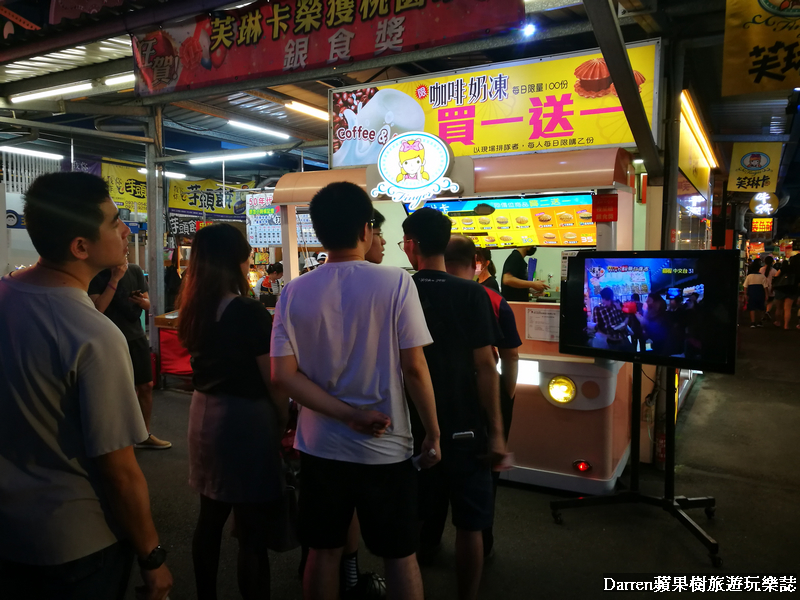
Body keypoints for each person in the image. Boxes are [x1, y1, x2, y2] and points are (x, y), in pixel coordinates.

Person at [0, 172, 172, 600]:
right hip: (76, 542)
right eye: (114, 222)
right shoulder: (92, 334)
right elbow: (120, 472)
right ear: (80, 247)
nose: (126, 230)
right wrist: (152, 556)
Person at [270, 182, 441, 600]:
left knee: (324, 552)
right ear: (366, 229)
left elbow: (283, 376)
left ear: (319, 231)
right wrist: (433, 433)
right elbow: (415, 368)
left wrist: (347, 416)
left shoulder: (294, 290)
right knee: (399, 555)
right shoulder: (396, 283)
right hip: (386, 447)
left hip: (320, 447)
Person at [177, 224, 289, 600]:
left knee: (209, 519)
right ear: (237, 260)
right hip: (245, 420)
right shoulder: (247, 311)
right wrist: (282, 418)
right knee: (251, 529)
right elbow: (274, 379)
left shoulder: (194, 306)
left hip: (204, 415)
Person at [403, 208, 506, 600]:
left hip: (410, 424)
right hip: (466, 425)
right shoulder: (472, 293)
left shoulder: (399, 290)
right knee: (470, 524)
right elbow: (486, 366)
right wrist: (497, 432)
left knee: (412, 518)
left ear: (411, 245)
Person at [444, 234, 521, 561]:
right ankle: (482, 543)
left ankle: (427, 542)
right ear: (476, 263)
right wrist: (506, 397)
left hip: (437, 393)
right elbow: (510, 355)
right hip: (483, 393)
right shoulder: (490, 298)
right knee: (483, 475)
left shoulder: (416, 292)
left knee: (433, 473)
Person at [89, 257, 171, 450]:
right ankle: (118, 438)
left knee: (146, 386)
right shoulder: (96, 274)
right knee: (117, 390)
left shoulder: (135, 271)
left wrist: (142, 302)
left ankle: (144, 434)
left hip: (137, 337)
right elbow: (98, 308)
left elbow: (148, 304)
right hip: (110, 339)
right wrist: (115, 279)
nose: (125, 249)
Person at [772, 253, 800, 330]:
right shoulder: (798, 270)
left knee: (779, 308)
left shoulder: (785, 267)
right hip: (792, 290)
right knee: (787, 308)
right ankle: (786, 325)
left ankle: (778, 322)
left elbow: (776, 276)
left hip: (780, 289)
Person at [743, 262, 768, 328]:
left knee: (752, 308)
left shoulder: (749, 276)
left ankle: (753, 322)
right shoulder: (762, 276)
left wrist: (745, 294)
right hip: (760, 293)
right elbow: (765, 287)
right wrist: (766, 295)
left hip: (751, 293)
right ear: (759, 269)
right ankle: (759, 322)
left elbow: (745, 286)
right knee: (760, 308)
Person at [760, 256, 778, 322]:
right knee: (770, 301)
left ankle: (764, 312)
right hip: (771, 288)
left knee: (764, 300)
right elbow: (776, 280)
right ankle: (767, 311)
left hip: (762, 287)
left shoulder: (761, 269)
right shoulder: (774, 271)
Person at [164, 247, 182, 312]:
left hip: (170, 301)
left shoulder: (170, 270)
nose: (182, 257)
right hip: (175, 301)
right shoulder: (176, 272)